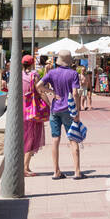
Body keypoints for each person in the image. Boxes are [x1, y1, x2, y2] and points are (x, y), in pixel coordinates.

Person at [39, 50, 85, 180]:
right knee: (73, 139)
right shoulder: (73, 74)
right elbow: (75, 93)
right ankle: (77, 172)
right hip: (68, 109)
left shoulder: (52, 73)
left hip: (55, 109)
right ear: (69, 61)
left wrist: (52, 91)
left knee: (55, 140)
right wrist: (76, 112)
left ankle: (56, 171)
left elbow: (38, 85)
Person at [21, 55, 48, 176]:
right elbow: (40, 91)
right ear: (32, 64)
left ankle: (25, 166)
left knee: (25, 137)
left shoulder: (18, 75)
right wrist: (49, 103)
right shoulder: (34, 76)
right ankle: (25, 168)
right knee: (31, 138)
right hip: (32, 111)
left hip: (21, 110)